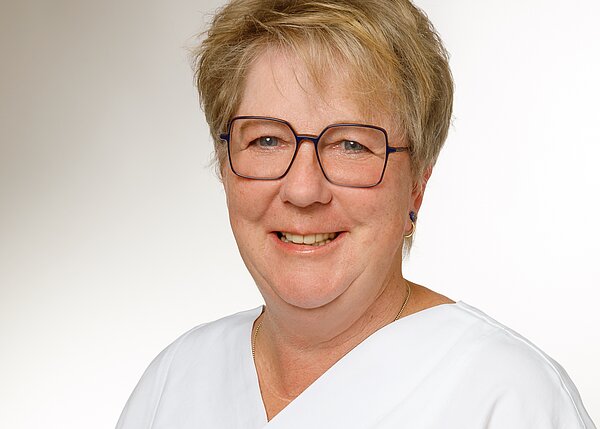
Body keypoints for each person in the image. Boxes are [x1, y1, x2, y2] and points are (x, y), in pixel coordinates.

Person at [116, 0, 596, 427]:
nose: (303, 189)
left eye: (350, 145)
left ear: (417, 186)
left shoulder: (506, 398)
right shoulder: (175, 380)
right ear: (225, 167)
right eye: (266, 140)